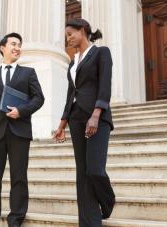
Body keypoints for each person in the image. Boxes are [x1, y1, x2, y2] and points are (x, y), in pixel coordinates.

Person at [0, 32, 44, 227]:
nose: (17, 47)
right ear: (2, 48)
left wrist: (21, 111)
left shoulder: (28, 73)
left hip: (20, 131)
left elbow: (39, 98)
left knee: (19, 177)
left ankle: (15, 220)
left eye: (19, 45)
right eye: (13, 44)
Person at [53, 18, 116, 227]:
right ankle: (89, 221)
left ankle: (107, 202)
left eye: (71, 34)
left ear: (83, 31)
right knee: (82, 172)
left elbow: (105, 84)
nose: (68, 38)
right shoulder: (72, 62)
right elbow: (70, 94)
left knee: (95, 169)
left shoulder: (101, 53)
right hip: (76, 118)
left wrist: (97, 113)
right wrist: (62, 124)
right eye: (66, 36)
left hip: (97, 118)